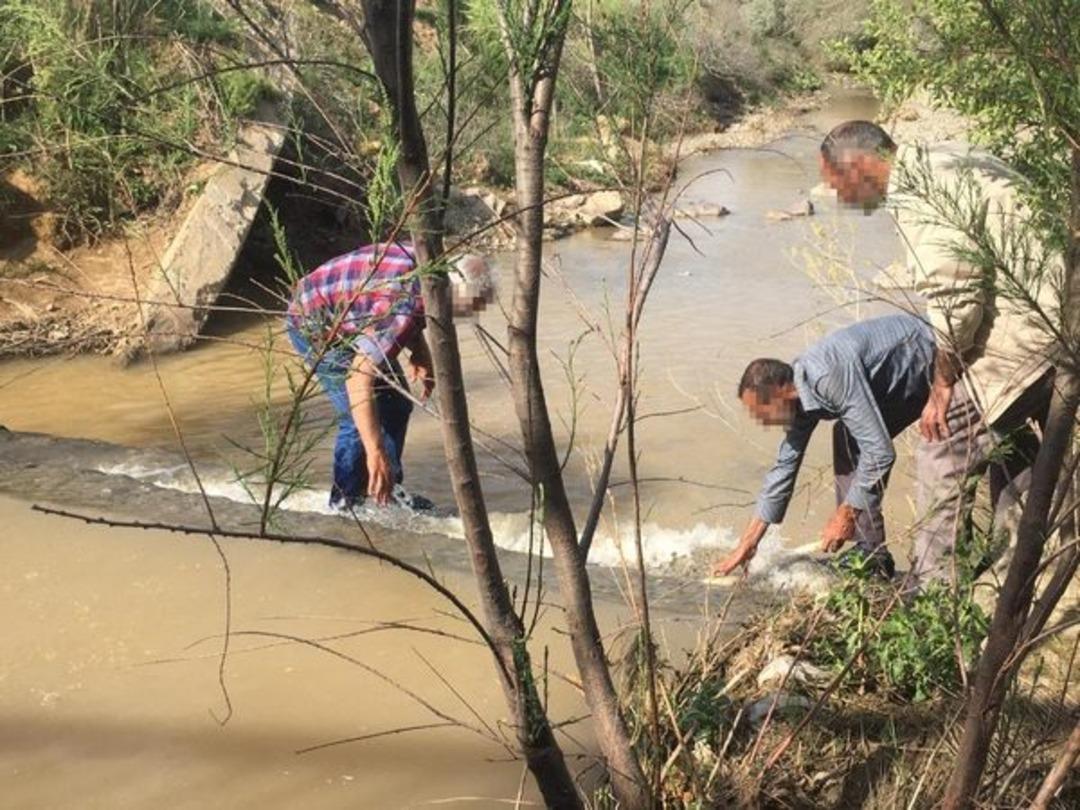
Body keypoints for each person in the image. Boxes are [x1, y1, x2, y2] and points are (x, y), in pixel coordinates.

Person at [816, 120, 1058, 586]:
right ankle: (1023, 564)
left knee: (942, 442)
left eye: (839, 184)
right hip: (1058, 312)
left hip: (1030, 328)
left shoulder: (922, 193)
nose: (843, 199)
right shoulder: (947, 157)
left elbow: (957, 297)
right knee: (1009, 435)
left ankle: (934, 596)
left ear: (863, 164)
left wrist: (943, 384)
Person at [712, 313, 935, 580]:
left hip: (934, 354)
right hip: (901, 378)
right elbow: (784, 467)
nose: (761, 422)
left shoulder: (826, 378)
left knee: (864, 444)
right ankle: (872, 554)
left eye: (762, 412)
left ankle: (912, 566)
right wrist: (748, 544)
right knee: (847, 435)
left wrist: (845, 514)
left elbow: (880, 452)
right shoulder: (799, 397)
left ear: (781, 391)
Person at [285, 242, 495, 510]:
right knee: (356, 419)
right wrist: (376, 453)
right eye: (461, 309)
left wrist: (419, 350)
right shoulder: (401, 307)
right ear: (447, 294)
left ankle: (387, 490)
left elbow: (396, 307)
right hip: (313, 324)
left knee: (396, 405)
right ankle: (346, 505)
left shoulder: (429, 268)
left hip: (350, 315)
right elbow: (358, 380)